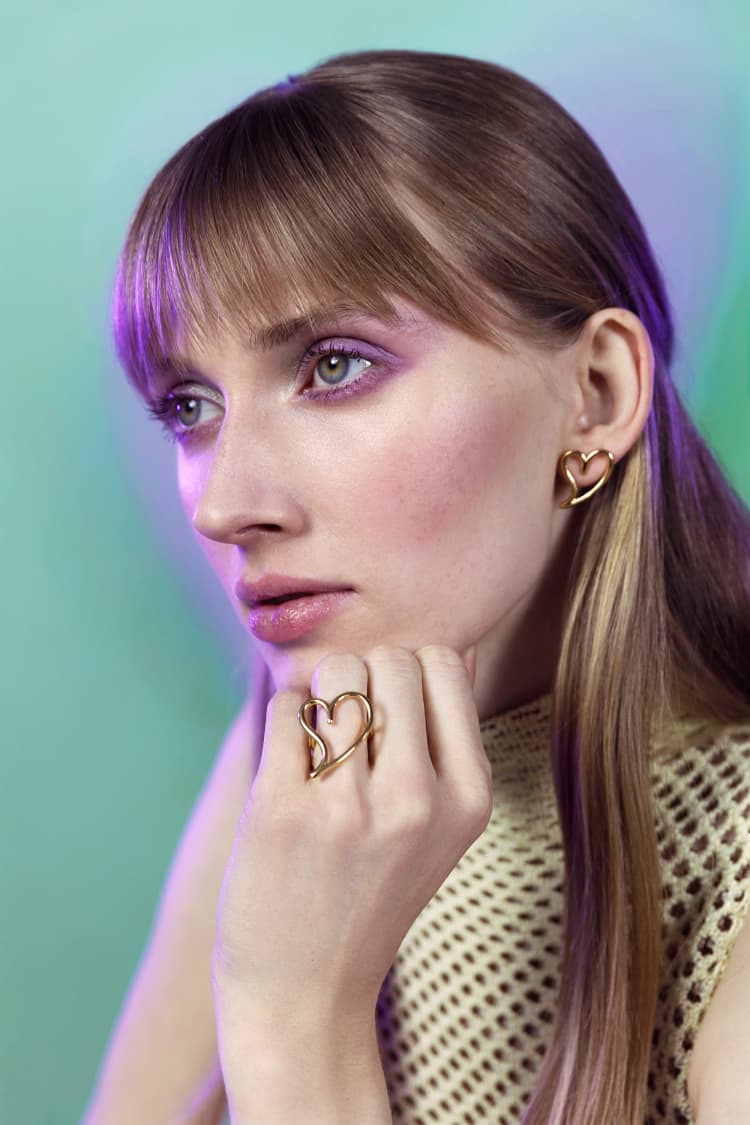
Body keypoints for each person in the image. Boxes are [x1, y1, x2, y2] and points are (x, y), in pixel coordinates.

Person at [81, 48, 750, 1125]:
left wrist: (294, 1021)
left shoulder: (732, 873)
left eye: (334, 365)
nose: (222, 505)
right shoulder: (300, 754)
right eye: (190, 407)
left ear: (596, 394)